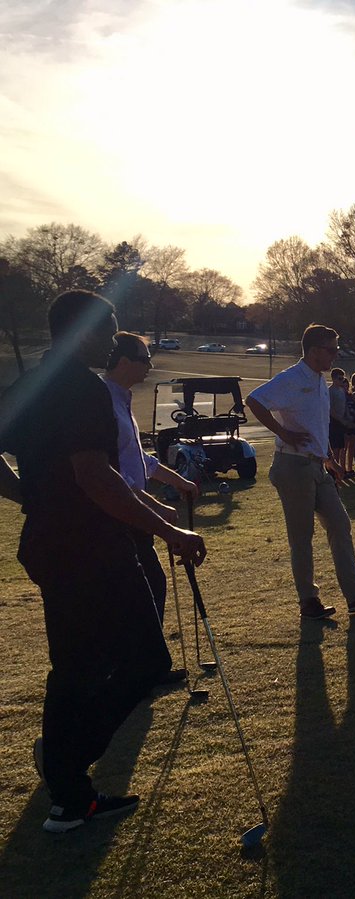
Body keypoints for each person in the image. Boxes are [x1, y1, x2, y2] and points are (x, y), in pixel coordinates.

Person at [0, 290, 206, 833]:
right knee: (145, 663)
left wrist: (30, 496)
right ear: (83, 330)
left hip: (46, 545)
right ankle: (65, 760)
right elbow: (96, 475)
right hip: (92, 547)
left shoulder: (33, 385)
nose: (114, 338)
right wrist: (169, 529)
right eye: (107, 327)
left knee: (74, 668)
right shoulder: (85, 388)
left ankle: (68, 800)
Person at [245, 324, 355, 619]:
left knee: (340, 524)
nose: (336, 356)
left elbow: (316, 425)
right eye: (332, 349)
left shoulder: (320, 382)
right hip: (292, 467)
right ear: (314, 351)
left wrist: (330, 460)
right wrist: (282, 432)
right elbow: (254, 400)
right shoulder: (291, 378)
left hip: (317, 466)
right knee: (302, 537)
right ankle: (308, 602)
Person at [104, 332, 200, 629]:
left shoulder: (122, 399)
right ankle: (145, 668)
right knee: (145, 585)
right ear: (123, 362)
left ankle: (150, 664)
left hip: (134, 513)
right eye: (145, 359)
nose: (150, 366)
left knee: (151, 582)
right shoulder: (103, 400)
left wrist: (179, 482)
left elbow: (140, 459)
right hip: (119, 515)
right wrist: (156, 507)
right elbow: (114, 470)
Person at [327, 367, 355, 473]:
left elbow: (344, 405)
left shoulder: (341, 390)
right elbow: (330, 409)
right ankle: (333, 472)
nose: (341, 380)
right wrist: (340, 419)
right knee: (334, 448)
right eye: (339, 378)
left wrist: (348, 417)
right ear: (334, 378)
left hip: (342, 422)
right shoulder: (330, 391)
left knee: (341, 448)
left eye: (342, 378)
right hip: (333, 422)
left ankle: (340, 471)